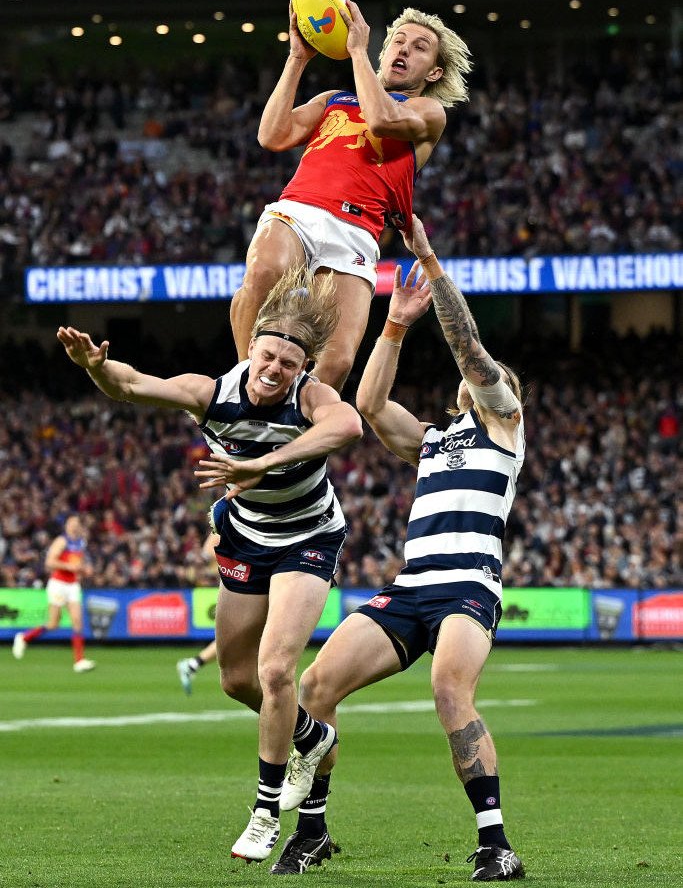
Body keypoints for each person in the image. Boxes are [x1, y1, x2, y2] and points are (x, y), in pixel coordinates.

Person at [55, 266, 362, 865]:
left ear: (302, 369)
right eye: (268, 357)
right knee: (235, 678)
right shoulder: (212, 391)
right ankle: (310, 733)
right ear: (252, 350)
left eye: (288, 364)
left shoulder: (310, 397)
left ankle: (265, 811)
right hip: (246, 539)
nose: (275, 371)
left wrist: (262, 464)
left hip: (307, 540)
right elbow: (133, 385)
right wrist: (95, 366)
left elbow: (348, 424)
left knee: (277, 670)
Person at [273, 215, 526, 881]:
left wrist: (431, 264)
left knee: (449, 688)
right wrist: (393, 324)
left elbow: (469, 346)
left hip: (468, 586)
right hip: (411, 586)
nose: (481, 374)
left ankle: (494, 842)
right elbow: (368, 400)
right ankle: (314, 829)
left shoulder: (503, 425)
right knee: (316, 685)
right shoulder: (431, 440)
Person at [230, 0, 471, 391]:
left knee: (338, 360)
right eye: (398, 41)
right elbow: (271, 136)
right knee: (263, 272)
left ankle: (295, 433)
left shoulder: (429, 112)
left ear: (435, 71)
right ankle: (244, 389)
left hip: (358, 229)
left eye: (419, 47)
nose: (404, 49)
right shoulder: (334, 99)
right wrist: (296, 59)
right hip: (301, 207)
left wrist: (358, 51)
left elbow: (381, 119)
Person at [12, 514, 96, 673]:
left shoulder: (81, 543)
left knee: (78, 622)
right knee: (53, 624)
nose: (74, 525)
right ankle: (23, 638)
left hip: (72, 585)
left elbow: (80, 563)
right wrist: (69, 567)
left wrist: (85, 570)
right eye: (72, 523)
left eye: (77, 522)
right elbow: (50, 562)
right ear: (67, 526)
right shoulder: (62, 541)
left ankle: (79, 661)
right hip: (58, 584)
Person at [176, 532, 219, 695]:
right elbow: (205, 556)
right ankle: (193, 664)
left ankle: (193, 664)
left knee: (246, 636)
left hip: (248, 584)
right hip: (240, 587)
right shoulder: (228, 513)